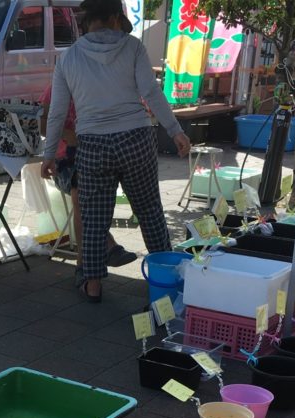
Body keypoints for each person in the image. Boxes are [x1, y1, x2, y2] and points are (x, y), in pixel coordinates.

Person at [41, 0, 190, 303]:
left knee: (95, 218)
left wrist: (48, 156)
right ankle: (165, 280)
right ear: (113, 17)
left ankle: (92, 285)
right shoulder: (132, 47)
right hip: (136, 139)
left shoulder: (69, 58)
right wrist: (175, 130)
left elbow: (56, 113)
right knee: (149, 211)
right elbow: (151, 92)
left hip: (93, 143)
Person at [39, 84, 137, 285]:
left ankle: (89, 265)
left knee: (88, 195)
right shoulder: (57, 87)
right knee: (80, 195)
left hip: (95, 156)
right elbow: (42, 124)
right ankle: (95, 255)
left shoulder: (98, 83)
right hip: (64, 160)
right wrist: (68, 135)